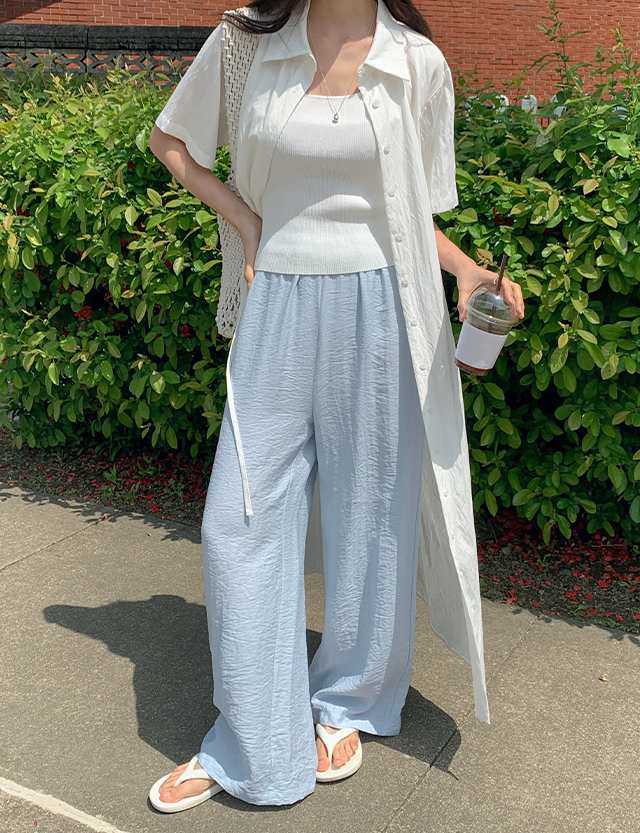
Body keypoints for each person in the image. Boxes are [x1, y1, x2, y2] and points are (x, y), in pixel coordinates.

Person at [147, 0, 525, 813]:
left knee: (372, 514)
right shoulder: (246, 42)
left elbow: (408, 210)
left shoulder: (417, 63)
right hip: (276, 303)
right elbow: (169, 140)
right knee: (240, 519)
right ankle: (253, 739)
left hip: (386, 310)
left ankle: (350, 698)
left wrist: (465, 270)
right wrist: (243, 217)